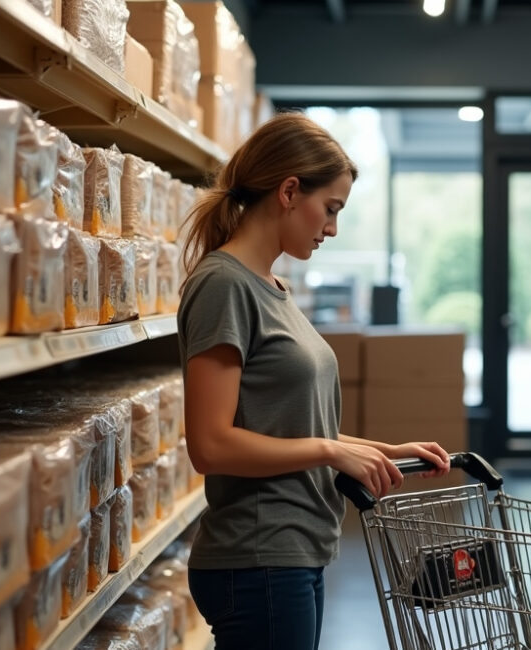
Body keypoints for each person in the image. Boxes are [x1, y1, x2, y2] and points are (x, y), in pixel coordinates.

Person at [176, 113, 452, 650]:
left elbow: (288, 424)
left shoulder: (273, 286)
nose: (332, 229)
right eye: (330, 210)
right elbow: (210, 445)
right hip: (258, 557)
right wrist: (330, 451)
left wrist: (381, 450)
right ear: (288, 191)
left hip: (292, 551)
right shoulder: (223, 286)